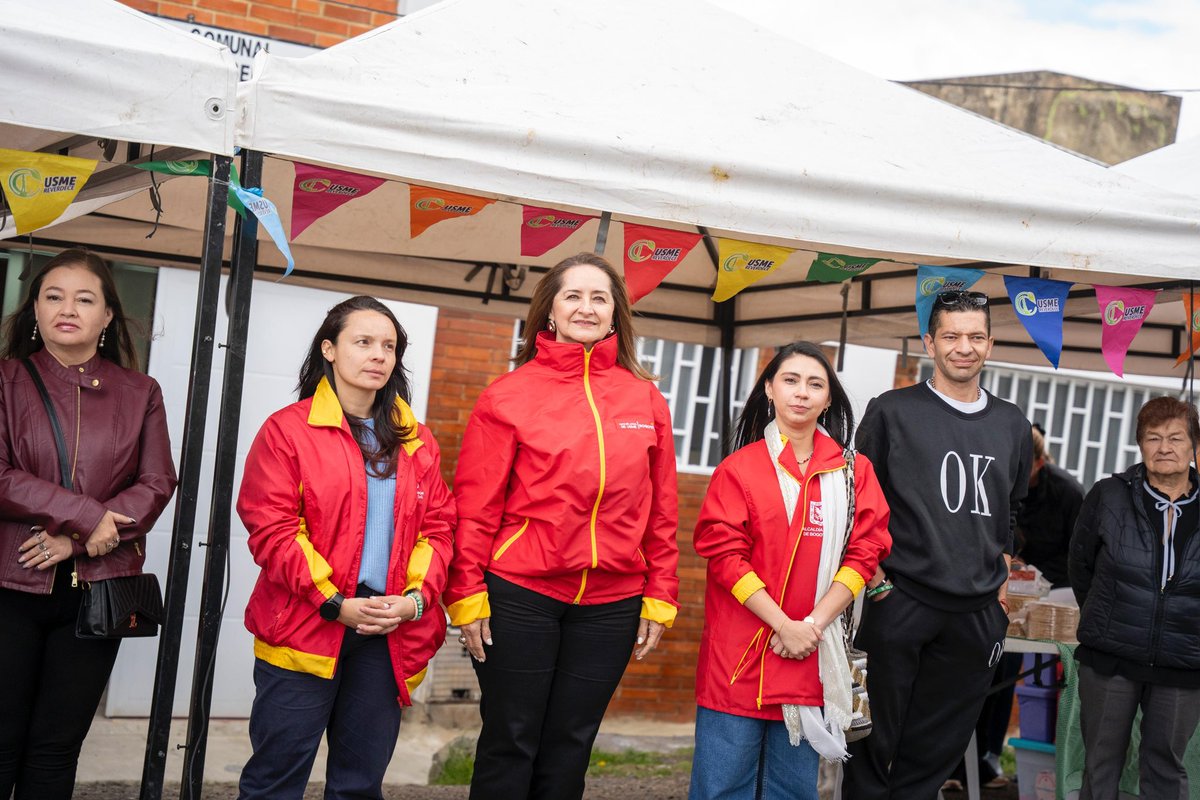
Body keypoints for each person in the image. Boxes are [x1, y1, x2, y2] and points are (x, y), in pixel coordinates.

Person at [445, 252, 680, 800]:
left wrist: (660, 592)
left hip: (613, 602)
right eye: (573, 295)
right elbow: (475, 506)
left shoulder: (644, 397)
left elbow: (662, 509)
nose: (586, 307)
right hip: (521, 593)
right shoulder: (507, 395)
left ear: (615, 313)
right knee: (511, 741)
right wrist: (467, 594)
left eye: (600, 297)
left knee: (572, 745)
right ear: (549, 310)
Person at [235, 295, 455, 800]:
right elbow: (273, 529)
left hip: (385, 631)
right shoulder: (287, 432)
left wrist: (414, 602)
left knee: (359, 785)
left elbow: (439, 529)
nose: (378, 355)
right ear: (329, 350)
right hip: (306, 627)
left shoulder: (417, 441)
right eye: (363, 342)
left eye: (389, 346)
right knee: (275, 780)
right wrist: (335, 604)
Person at [0, 248, 178, 799]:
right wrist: (86, 515)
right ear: (34, 309)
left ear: (106, 317)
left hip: (95, 593)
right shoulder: (5, 381)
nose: (66, 309)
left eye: (84, 298)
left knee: (57, 748)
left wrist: (76, 541)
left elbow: (156, 484)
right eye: (53, 296)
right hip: (8, 585)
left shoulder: (140, 392)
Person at [843, 289, 1033, 799]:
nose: (963, 347)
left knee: (937, 747)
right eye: (951, 336)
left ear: (990, 344)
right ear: (930, 343)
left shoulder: (1012, 423)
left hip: (975, 613)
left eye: (975, 336)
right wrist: (878, 582)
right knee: (872, 739)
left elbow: (1012, 509)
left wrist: (1002, 576)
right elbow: (857, 498)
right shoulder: (892, 411)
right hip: (900, 599)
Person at [690, 342, 892, 800]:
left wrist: (811, 627)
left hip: (811, 657)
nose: (802, 392)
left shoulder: (852, 473)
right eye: (791, 380)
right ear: (769, 389)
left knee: (793, 791)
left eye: (815, 384)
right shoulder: (738, 470)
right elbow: (724, 555)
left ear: (828, 398)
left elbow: (866, 553)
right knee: (721, 789)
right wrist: (785, 626)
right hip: (740, 657)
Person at [1070, 396, 1200, 800]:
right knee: (1101, 762)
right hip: (1111, 653)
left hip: (1185, 656)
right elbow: (1080, 566)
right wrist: (1109, 616)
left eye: (1176, 438)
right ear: (1140, 445)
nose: (1165, 448)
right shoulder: (1109, 495)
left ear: (1194, 445)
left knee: (1165, 765)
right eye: (1153, 438)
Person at [1016, 425, 1085, 589]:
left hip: (1059, 583)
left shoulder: (1068, 491)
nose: (1014, 471)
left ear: (1039, 463)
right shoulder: (1002, 482)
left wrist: (1032, 572)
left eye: (1022, 465)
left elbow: (1080, 552)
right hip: (1016, 578)